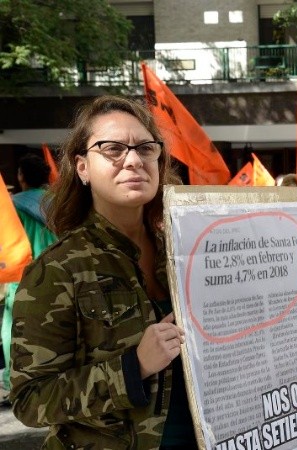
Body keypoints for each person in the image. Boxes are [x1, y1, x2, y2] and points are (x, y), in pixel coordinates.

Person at [10, 96, 195, 449]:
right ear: (82, 167)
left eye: (145, 148)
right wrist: (133, 368)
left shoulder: (186, 252)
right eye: (112, 149)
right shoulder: (58, 270)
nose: (133, 159)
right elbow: (30, 400)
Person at [2, 154, 58, 401]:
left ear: (21, 176)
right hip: (59, 272)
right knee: (57, 324)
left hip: (24, 275)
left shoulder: (12, 206)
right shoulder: (59, 203)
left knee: (14, 326)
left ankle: (13, 380)